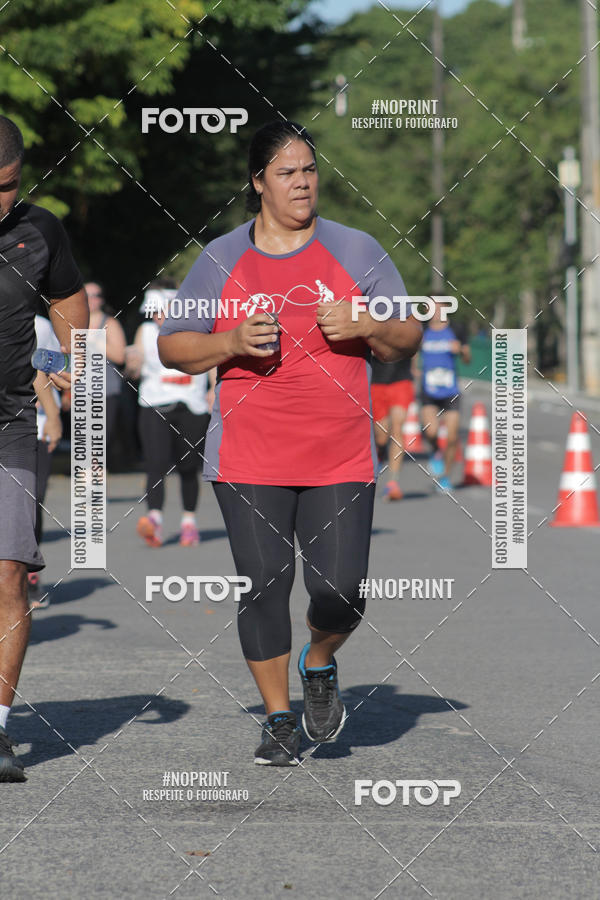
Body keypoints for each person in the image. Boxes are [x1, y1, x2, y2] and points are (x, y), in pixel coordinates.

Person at [158, 120, 422, 766]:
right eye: (286, 172)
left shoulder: (356, 250)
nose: (302, 182)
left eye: (308, 169)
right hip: (248, 454)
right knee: (264, 586)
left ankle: (320, 659)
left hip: (338, 453)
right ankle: (279, 717)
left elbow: (409, 332)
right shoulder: (221, 258)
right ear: (258, 184)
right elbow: (172, 344)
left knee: (342, 591)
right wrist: (229, 343)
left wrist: (366, 323)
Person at [0, 115, 88, 781]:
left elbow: (68, 299)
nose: (2, 201)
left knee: (7, 575)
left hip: (10, 423)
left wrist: (65, 354)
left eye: (9, 186)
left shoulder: (40, 229)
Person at [125, 288, 215, 548]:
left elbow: (210, 361)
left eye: (161, 311)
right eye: (153, 312)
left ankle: (189, 523)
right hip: (154, 403)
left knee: (188, 467)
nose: (156, 317)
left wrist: (212, 389)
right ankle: (154, 521)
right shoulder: (147, 331)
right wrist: (133, 362)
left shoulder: (196, 328)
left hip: (192, 403)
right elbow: (136, 361)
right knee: (156, 463)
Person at [27, 314, 64, 609]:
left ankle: (29, 574)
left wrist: (53, 416)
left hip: (33, 425)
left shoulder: (39, 325)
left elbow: (47, 369)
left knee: (32, 500)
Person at [419, 303, 471, 491]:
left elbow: (468, 358)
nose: (436, 312)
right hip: (428, 390)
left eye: (440, 307)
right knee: (431, 432)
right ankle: (434, 452)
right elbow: (412, 351)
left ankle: (446, 477)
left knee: (452, 437)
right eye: (432, 308)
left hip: (450, 391)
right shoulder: (422, 329)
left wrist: (462, 351)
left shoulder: (455, 329)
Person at [86, 282, 126, 453]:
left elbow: (120, 356)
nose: (91, 300)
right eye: (86, 295)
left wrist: (94, 338)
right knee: (83, 443)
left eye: (96, 295)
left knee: (99, 442)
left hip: (105, 391)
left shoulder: (110, 323)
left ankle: (94, 474)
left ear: (102, 299)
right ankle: (86, 476)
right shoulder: (73, 320)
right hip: (79, 390)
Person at [371, 355, 415, 500]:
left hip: (401, 381)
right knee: (381, 437)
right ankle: (380, 452)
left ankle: (393, 482)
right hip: (377, 382)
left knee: (397, 429)